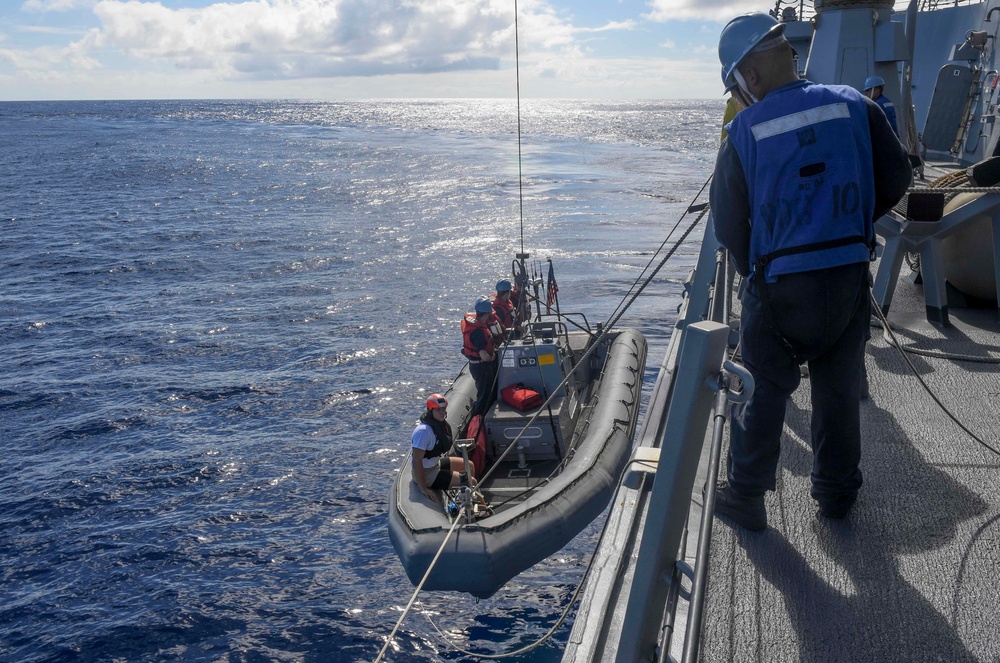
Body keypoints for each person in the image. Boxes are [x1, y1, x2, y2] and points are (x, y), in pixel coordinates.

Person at [710, 13, 911, 530]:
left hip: (778, 288)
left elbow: (730, 223)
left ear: (748, 77)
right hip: (845, 277)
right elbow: (896, 177)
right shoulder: (854, 104)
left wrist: (752, 272)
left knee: (761, 389)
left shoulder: (742, 132)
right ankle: (837, 496)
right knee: (838, 390)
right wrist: (846, 225)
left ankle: (747, 496)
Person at [411, 393, 475, 502]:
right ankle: (482, 510)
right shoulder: (423, 432)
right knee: (471, 481)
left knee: (469, 465)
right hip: (427, 472)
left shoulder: (439, 424)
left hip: (436, 463)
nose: (442, 412)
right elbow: (417, 461)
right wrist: (424, 488)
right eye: (438, 410)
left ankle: (465, 498)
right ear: (431, 410)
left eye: (443, 409)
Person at [461, 296, 498, 416]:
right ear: (486, 314)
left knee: (484, 392)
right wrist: (493, 358)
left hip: (477, 366)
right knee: (484, 395)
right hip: (482, 368)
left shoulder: (475, 327)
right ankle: (478, 419)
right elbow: (484, 356)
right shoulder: (477, 332)